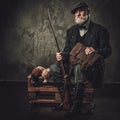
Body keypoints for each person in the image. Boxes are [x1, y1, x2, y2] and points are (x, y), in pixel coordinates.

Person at [42, 2, 112, 118]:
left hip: (90, 67)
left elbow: (108, 51)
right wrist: (61, 56)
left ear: (88, 12)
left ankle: (77, 106)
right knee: (54, 67)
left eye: (81, 11)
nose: (78, 14)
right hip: (73, 64)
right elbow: (67, 51)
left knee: (79, 68)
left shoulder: (100, 30)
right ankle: (66, 100)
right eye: (75, 12)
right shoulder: (71, 31)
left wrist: (95, 50)